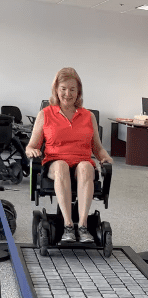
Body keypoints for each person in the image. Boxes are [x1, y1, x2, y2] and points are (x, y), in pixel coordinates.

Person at [25, 67, 113, 243]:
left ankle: (82, 226)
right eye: (63, 88)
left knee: (87, 167)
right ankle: (68, 226)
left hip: (81, 160)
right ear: (56, 90)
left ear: (78, 91)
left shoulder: (88, 116)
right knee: (61, 166)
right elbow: (31, 146)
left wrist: (105, 157)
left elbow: (97, 147)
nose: (68, 93)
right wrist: (32, 151)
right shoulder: (45, 114)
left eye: (72, 89)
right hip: (55, 162)